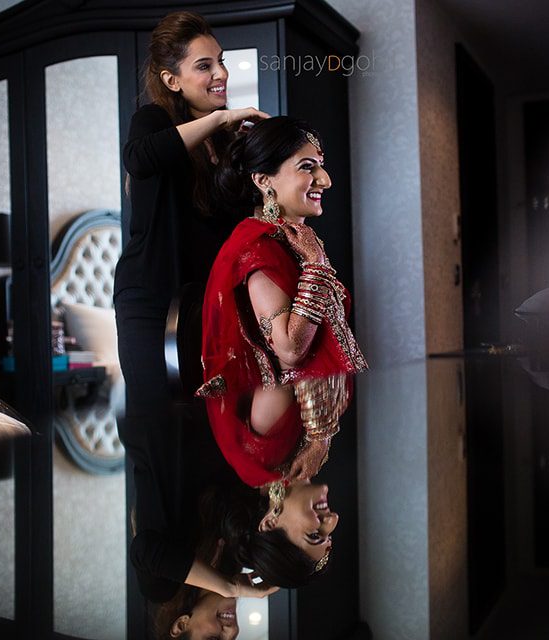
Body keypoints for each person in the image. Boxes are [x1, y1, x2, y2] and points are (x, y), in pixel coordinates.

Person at [114, 9, 271, 615]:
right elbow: (142, 157)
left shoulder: (224, 147)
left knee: (204, 422)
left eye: (221, 61)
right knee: (164, 420)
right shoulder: (155, 123)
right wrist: (229, 588)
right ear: (171, 78)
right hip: (152, 307)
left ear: (178, 633)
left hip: (203, 312)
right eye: (205, 65)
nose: (222, 73)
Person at [194, 116, 368, 586]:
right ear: (264, 181)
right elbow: (295, 353)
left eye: (315, 536)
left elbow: (290, 354)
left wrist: (313, 263)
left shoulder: (267, 454)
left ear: (270, 522)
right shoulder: (262, 245)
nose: (330, 522)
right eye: (308, 167)